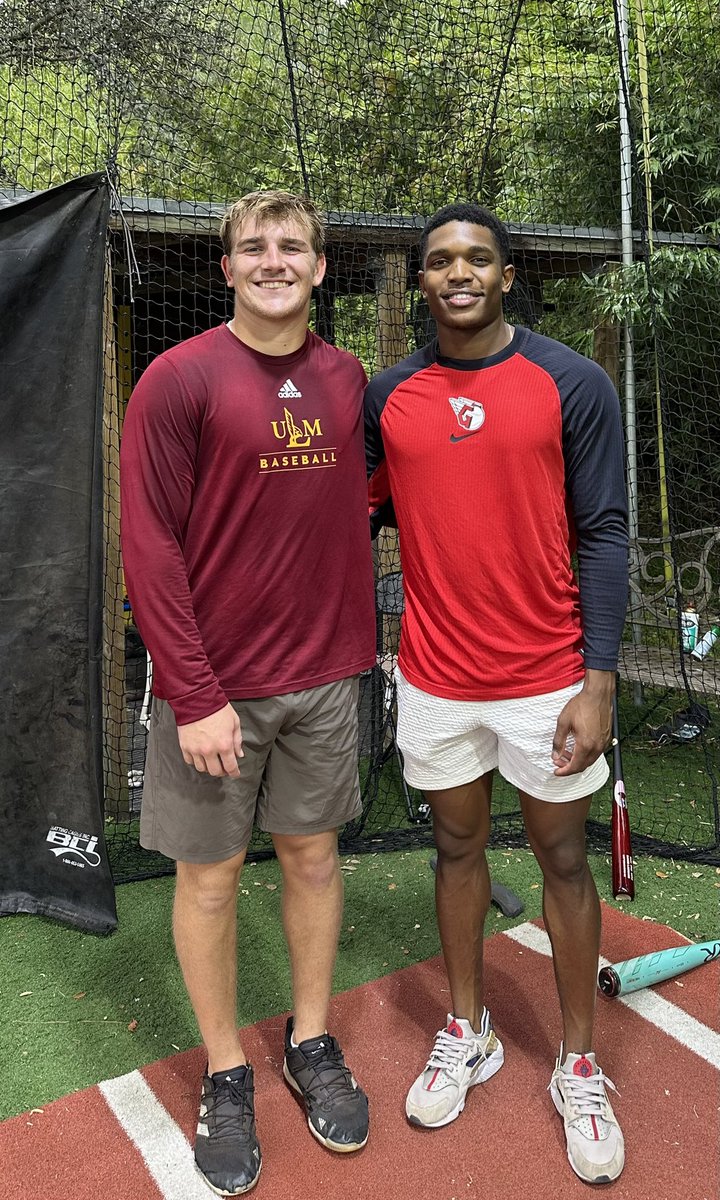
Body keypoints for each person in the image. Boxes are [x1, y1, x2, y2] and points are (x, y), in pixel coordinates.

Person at [365, 203, 629, 1185]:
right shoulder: (385, 396)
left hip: (549, 678)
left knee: (562, 861)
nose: (459, 273)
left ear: (507, 275)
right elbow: (340, 508)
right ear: (423, 283)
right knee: (456, 848)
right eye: (440, 262)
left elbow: (604, 533)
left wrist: (597, 682)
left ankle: (578, 1060)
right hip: (434, 676)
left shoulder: (573, 382)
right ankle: (467, 1033)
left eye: (478, 258)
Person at [120, 190, 376, 1196]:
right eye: (254, 247)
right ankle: (227, 1071)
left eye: (293, 245)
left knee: (313, 859)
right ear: (227, 268)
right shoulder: (177, 380)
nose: (274, 260)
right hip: (214, 690)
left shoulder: (348, 377)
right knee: (212, 878)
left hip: (323, 679)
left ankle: (311, 1042)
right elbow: (149, 543)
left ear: (319, 268)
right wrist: (193, 692)